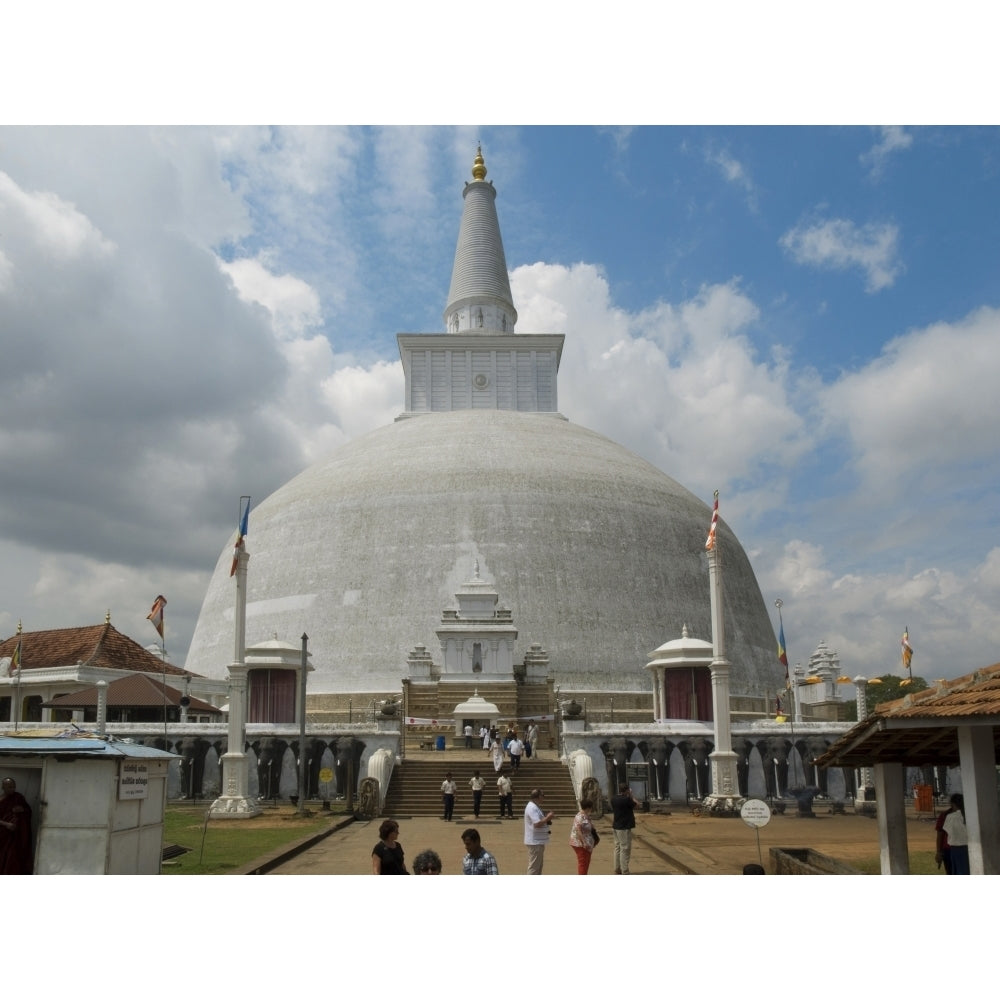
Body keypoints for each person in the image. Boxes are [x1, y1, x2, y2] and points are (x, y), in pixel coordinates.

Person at [0, 777, 32, 876]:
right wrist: (7, 824)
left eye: (14, 787)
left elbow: (28, 811)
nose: (12, 789)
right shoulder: (1, 800)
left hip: (15, 836)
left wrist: (22, 809)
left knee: (13, 858)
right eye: (9, 787)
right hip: (2, 835)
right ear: (3, 787)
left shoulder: (18, 798)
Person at [610, 782, 640, 874]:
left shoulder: (614, 798)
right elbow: (637, 805)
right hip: (624, 827)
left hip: (616, 826)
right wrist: (631, 795)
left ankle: (617, 868)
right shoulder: (627, 799)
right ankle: (625, 870)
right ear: (626, 790)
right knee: (625, 848)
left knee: (617, 847)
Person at [524, 787, 555, 874]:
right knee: (534, 868)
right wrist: (547, 818)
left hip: (538, 841)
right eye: (542, 795)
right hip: (535, 841)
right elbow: (537, 824)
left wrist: (546, 820)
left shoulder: (535, 807)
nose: (544, 797)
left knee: (538, 867)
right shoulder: (532, 808)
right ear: (537, 797)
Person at [942, 793, 970, 875]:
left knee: (958, 871)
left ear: (953, 804)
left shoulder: (950, 817)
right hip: (968, 847)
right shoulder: (968, 815)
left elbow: (947, 831)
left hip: (956, 849)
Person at [569, 796, 599, 874]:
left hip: (587, 842)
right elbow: (578, 831)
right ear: (588, 808)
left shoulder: (586, 816)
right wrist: (584, 842)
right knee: (583, 863)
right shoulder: (579, 817)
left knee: (586, 862)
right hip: (580, 843)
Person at [934, 796, 958, 874]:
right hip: (948, 850)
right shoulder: (945, 816)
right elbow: (940, 835)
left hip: (961, 849)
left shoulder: (964, 816)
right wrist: (939, 852)